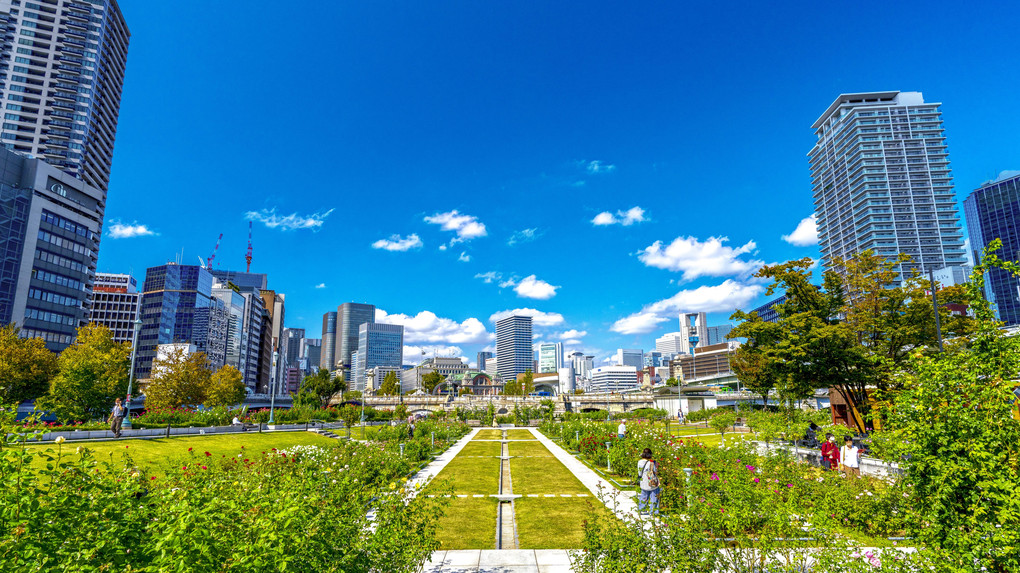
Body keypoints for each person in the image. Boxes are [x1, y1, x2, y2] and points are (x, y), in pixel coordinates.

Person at [637, 448, 660, 515]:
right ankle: (653, 511)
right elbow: (655, 472)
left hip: (643, 480)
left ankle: (642, 509)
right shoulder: (651, 463)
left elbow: (639, 472)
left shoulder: (639, 462)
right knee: (654, 496)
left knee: (644, 495)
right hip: (651, 481)